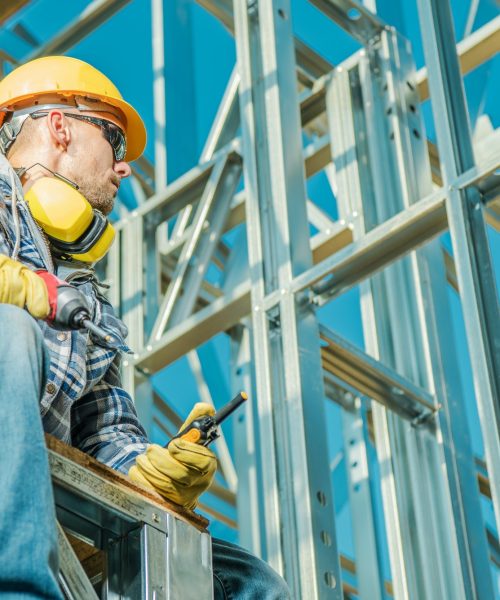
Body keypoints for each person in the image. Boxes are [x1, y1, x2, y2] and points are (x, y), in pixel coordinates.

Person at [0, 55, 290, 599]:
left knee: (247, 583)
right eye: (113, 138)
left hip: (35, 496)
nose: (124, 166)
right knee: (8, 331)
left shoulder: (83, 296)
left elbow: (101, 434)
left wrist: (151, 471)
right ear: (60, 126)